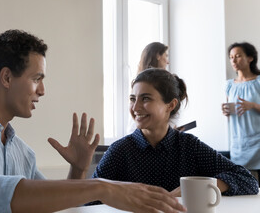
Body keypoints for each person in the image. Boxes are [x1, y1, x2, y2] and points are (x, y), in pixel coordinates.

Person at [0, 29, 186, 213]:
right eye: (36, 79)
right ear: (7, 78)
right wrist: (102, 187)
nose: (42, 91)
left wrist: (79, 171)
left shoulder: (20, 150)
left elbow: (49, 206)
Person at [93, 68, 259, 198]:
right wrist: (79, 168)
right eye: (132, 99)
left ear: (170, 105)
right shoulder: (119, 151)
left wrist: (198, 187)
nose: (135, 108)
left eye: (145, 99)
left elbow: (248, 181)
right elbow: (87, 201)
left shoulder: (189, 146)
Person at [222, 42, 260, 181]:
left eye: (238, 56)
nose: (233, 60)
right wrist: (226, 111)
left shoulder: (258, 82)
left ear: (250, 58)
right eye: (231, 57)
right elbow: (231, 109)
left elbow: (250, 106)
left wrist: (253, 105)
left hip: (258, 144)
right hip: (238, 145)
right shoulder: (229, 85)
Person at [127, 42, 170, 134]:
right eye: (166, 56)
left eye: (145, 99)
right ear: (158, 55)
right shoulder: (142, 83)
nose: (167, 61)